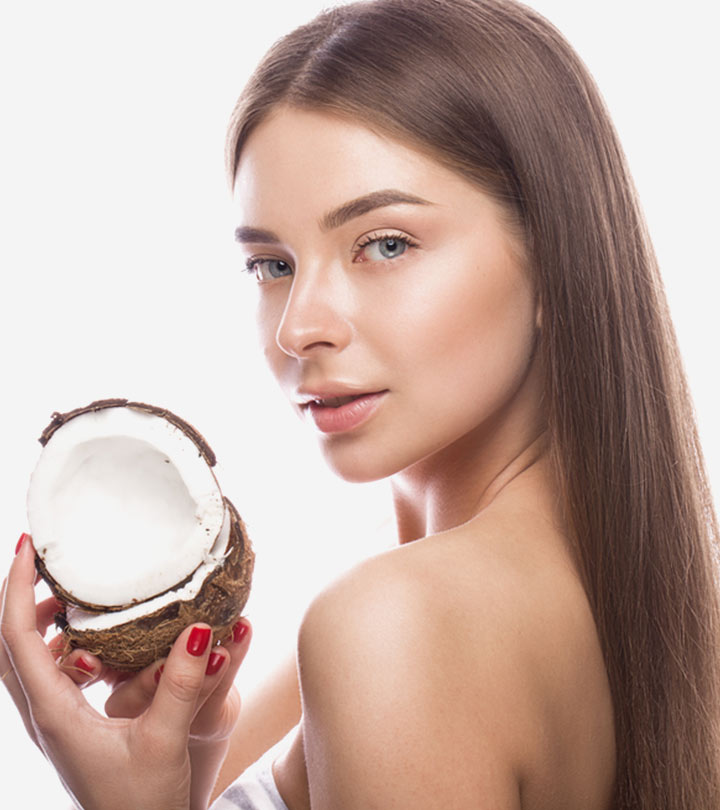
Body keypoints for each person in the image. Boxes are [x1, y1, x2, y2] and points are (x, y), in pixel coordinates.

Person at [2, 0, 719, 808]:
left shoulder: (399, 625)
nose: (298, 327)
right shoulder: (606, 576)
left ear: (556, 259)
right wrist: (184, 768)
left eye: (385, 244)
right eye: (272, 265)